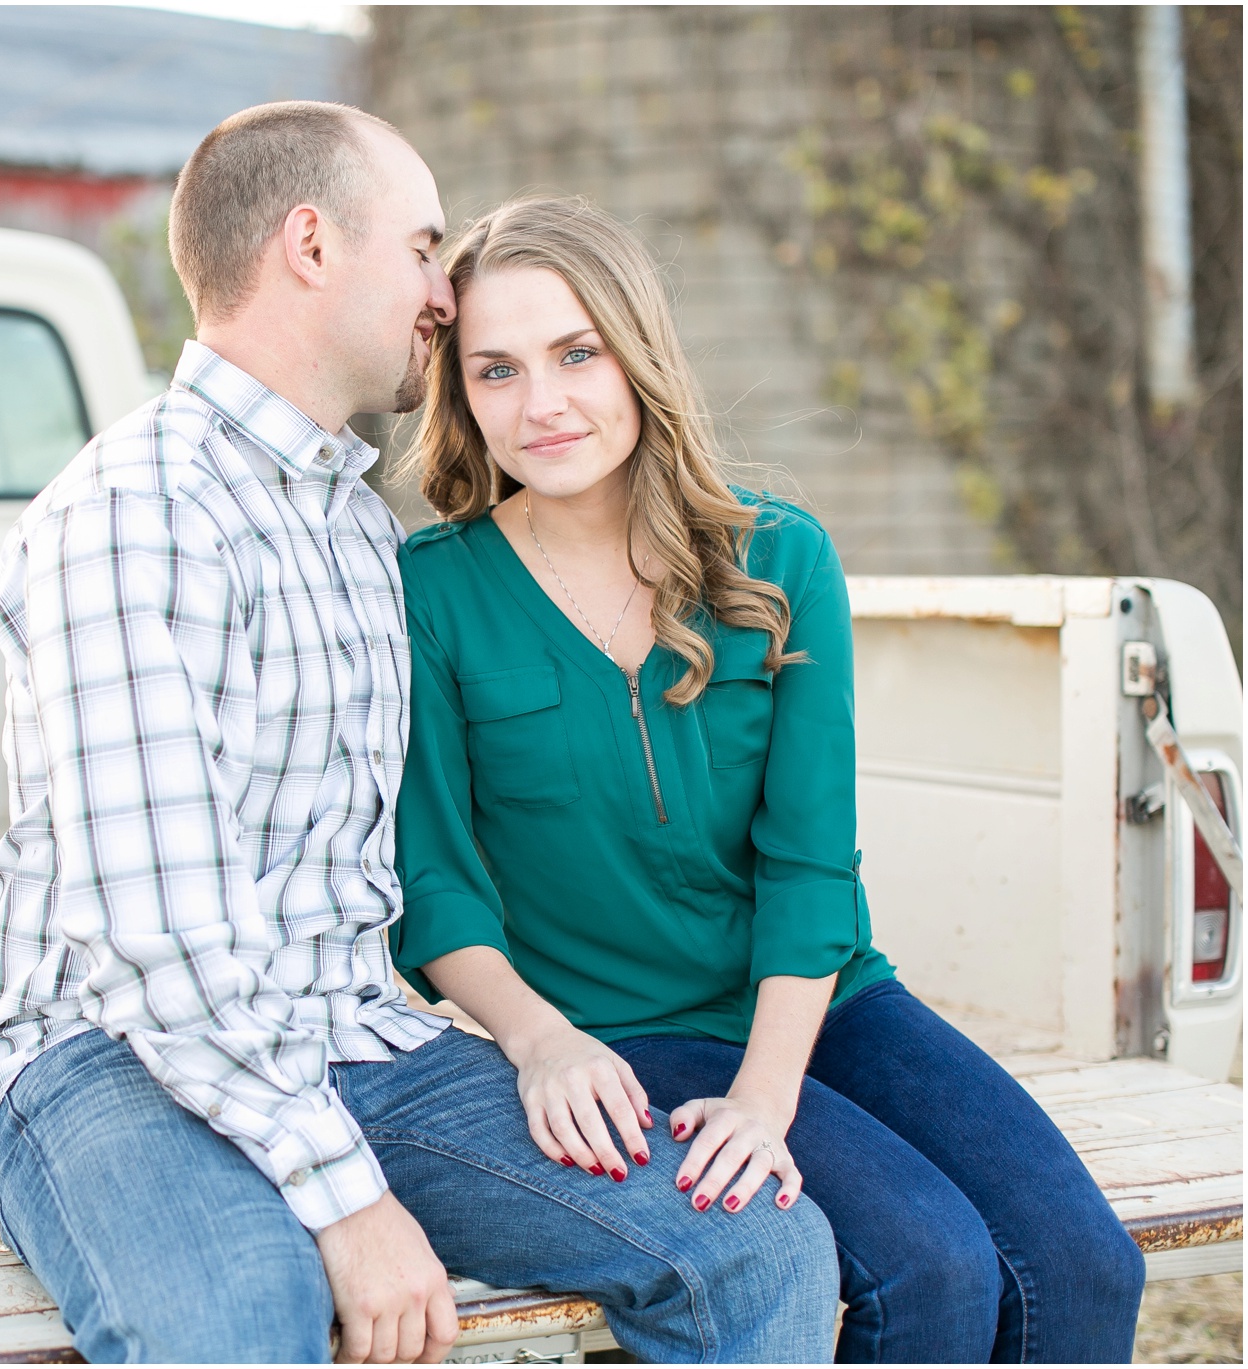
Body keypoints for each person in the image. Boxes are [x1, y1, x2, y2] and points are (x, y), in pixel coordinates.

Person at [0, 101, 839, 1366]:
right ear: (310, 244)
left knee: (749, 1242)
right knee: (242, 1318)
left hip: (354, 1032)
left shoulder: (353, 524)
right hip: (112, 1055)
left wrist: (530, 1047)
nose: (443, 289)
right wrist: (347, 1200)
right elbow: (161, 943)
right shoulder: (136, 515)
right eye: (422, 247)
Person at [390, 194, 1149, 1364]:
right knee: (929, 1268)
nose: (539, 404)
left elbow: (808, 861)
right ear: (461, 396)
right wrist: (538, 1042)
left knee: (1081, 1261)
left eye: (574, 354)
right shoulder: (433, 591)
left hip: (820, 998)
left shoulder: (778, 557)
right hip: (620, 1032)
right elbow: (435, 882)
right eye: (495, 371)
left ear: (637, 357)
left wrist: (765, 1094)